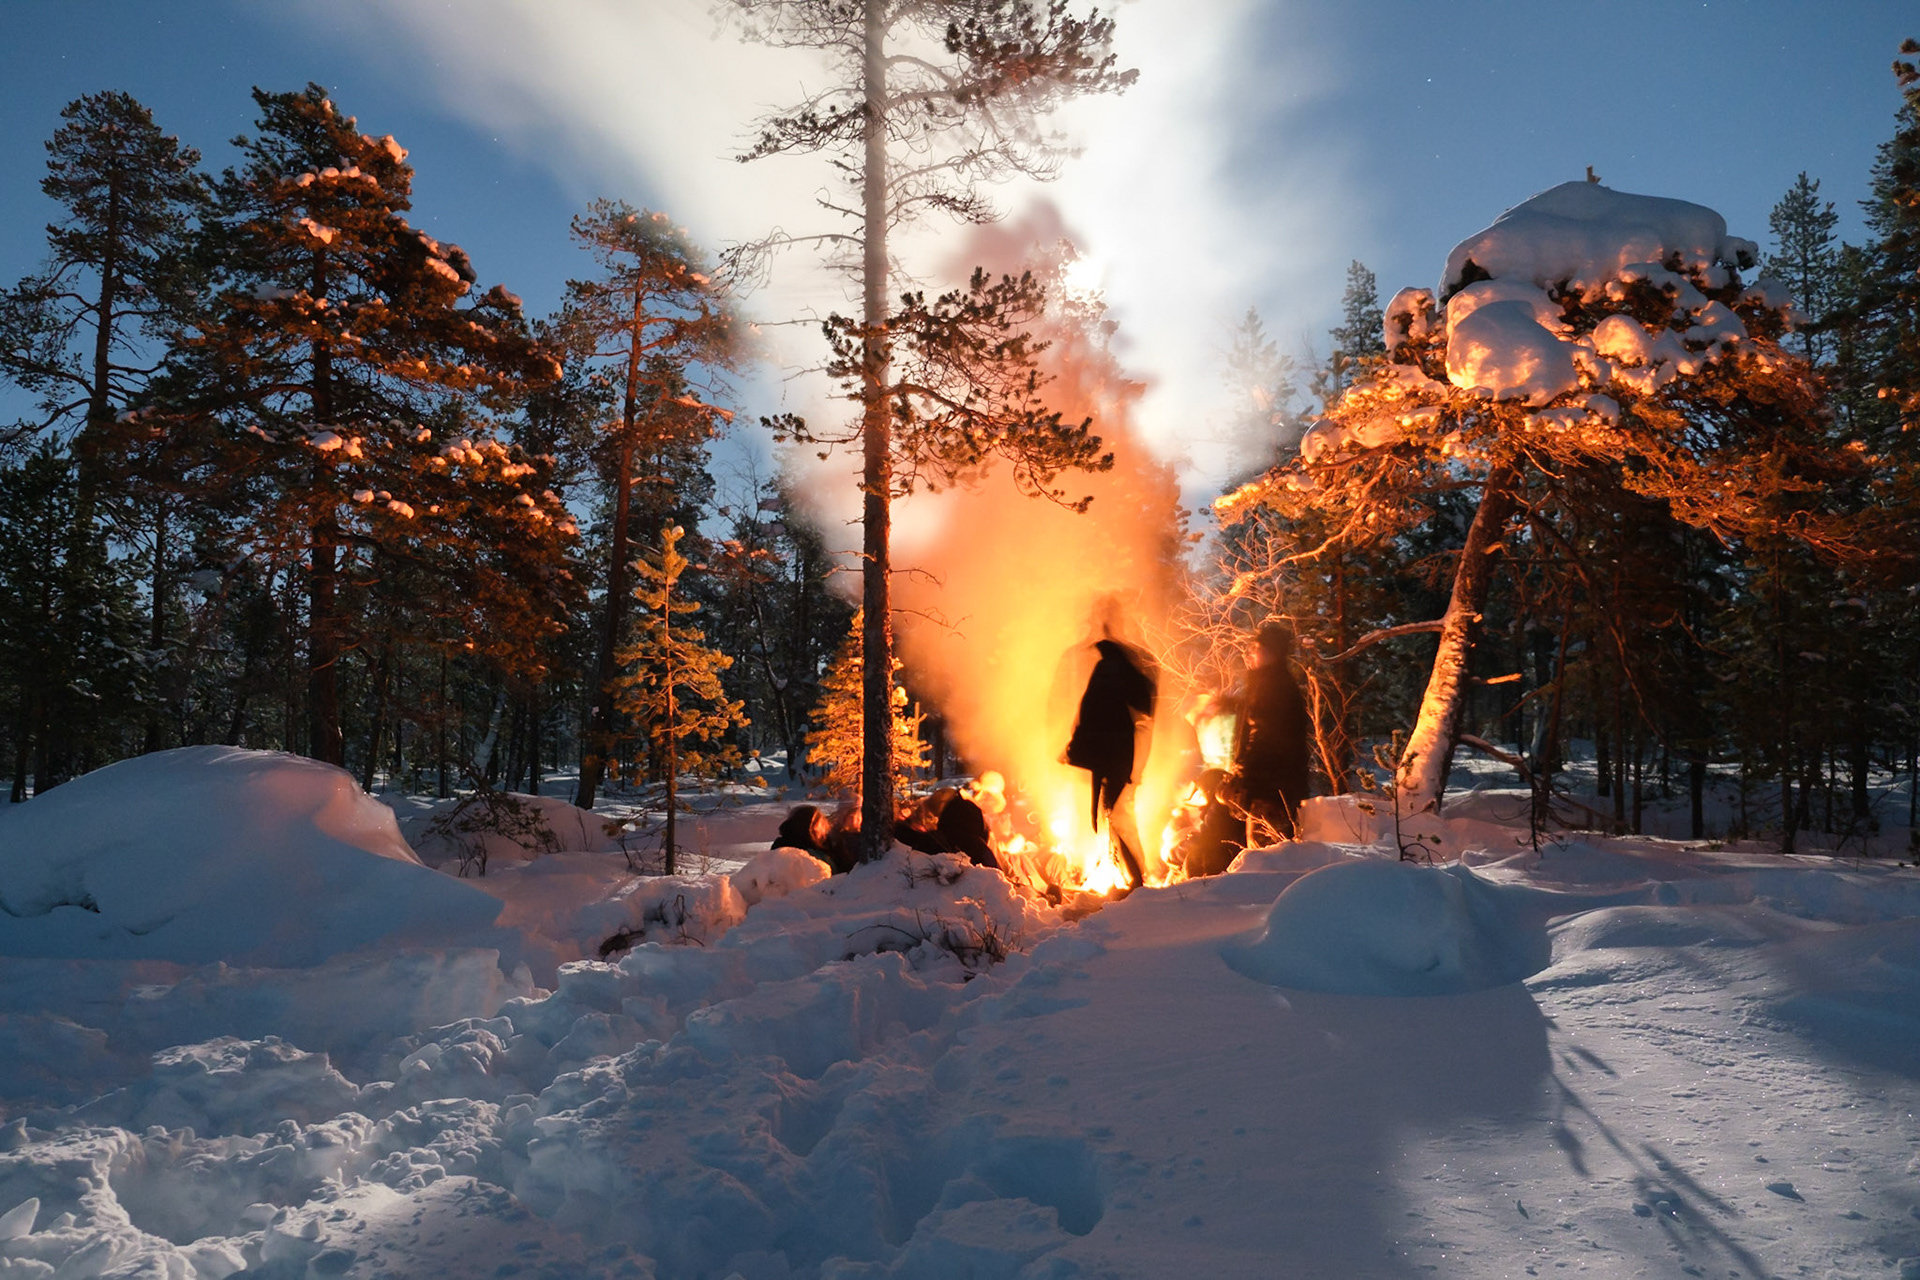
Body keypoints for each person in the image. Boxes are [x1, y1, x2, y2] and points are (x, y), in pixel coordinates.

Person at [1064, 636, 1156, 889]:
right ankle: (1132, 872)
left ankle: (1136, 876)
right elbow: (1143, 702)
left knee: (1115, 816)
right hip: (1120, 759)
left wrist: (1077, 748)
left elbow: (1088, 714)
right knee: (1116, 814)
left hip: (1107, 760)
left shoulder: (1106, 672)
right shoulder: (1128, 675)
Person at [1230, 620, 1312, 843]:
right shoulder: (1271, 684)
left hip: (1271, 793)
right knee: (1270, 855)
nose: (1252, 654)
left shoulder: (1272, 687)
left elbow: (1264, 737)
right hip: (1276, 789)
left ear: (1270, 652)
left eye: (1257, 649)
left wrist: (1246, 782)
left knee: (1265, 858)